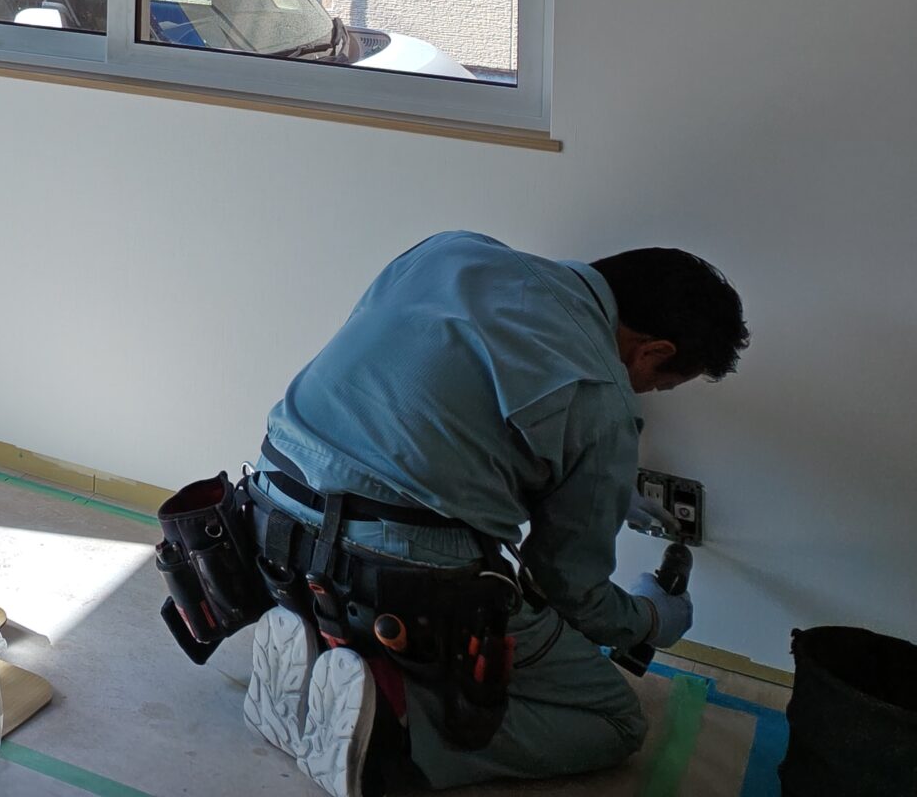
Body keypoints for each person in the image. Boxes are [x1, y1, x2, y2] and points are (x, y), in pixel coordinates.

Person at [238, 232, 747, 795]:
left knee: (391, 610)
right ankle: (391, 733)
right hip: (396, 572)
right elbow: (569, 591)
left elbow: (411, 398)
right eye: (660, 384)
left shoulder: (449, 251)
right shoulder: (604, 398)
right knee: (614, 720)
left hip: (268, 515)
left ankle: (319, 663)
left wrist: (600, 482)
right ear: (654, 352)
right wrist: (652, 618)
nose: (647, 391)